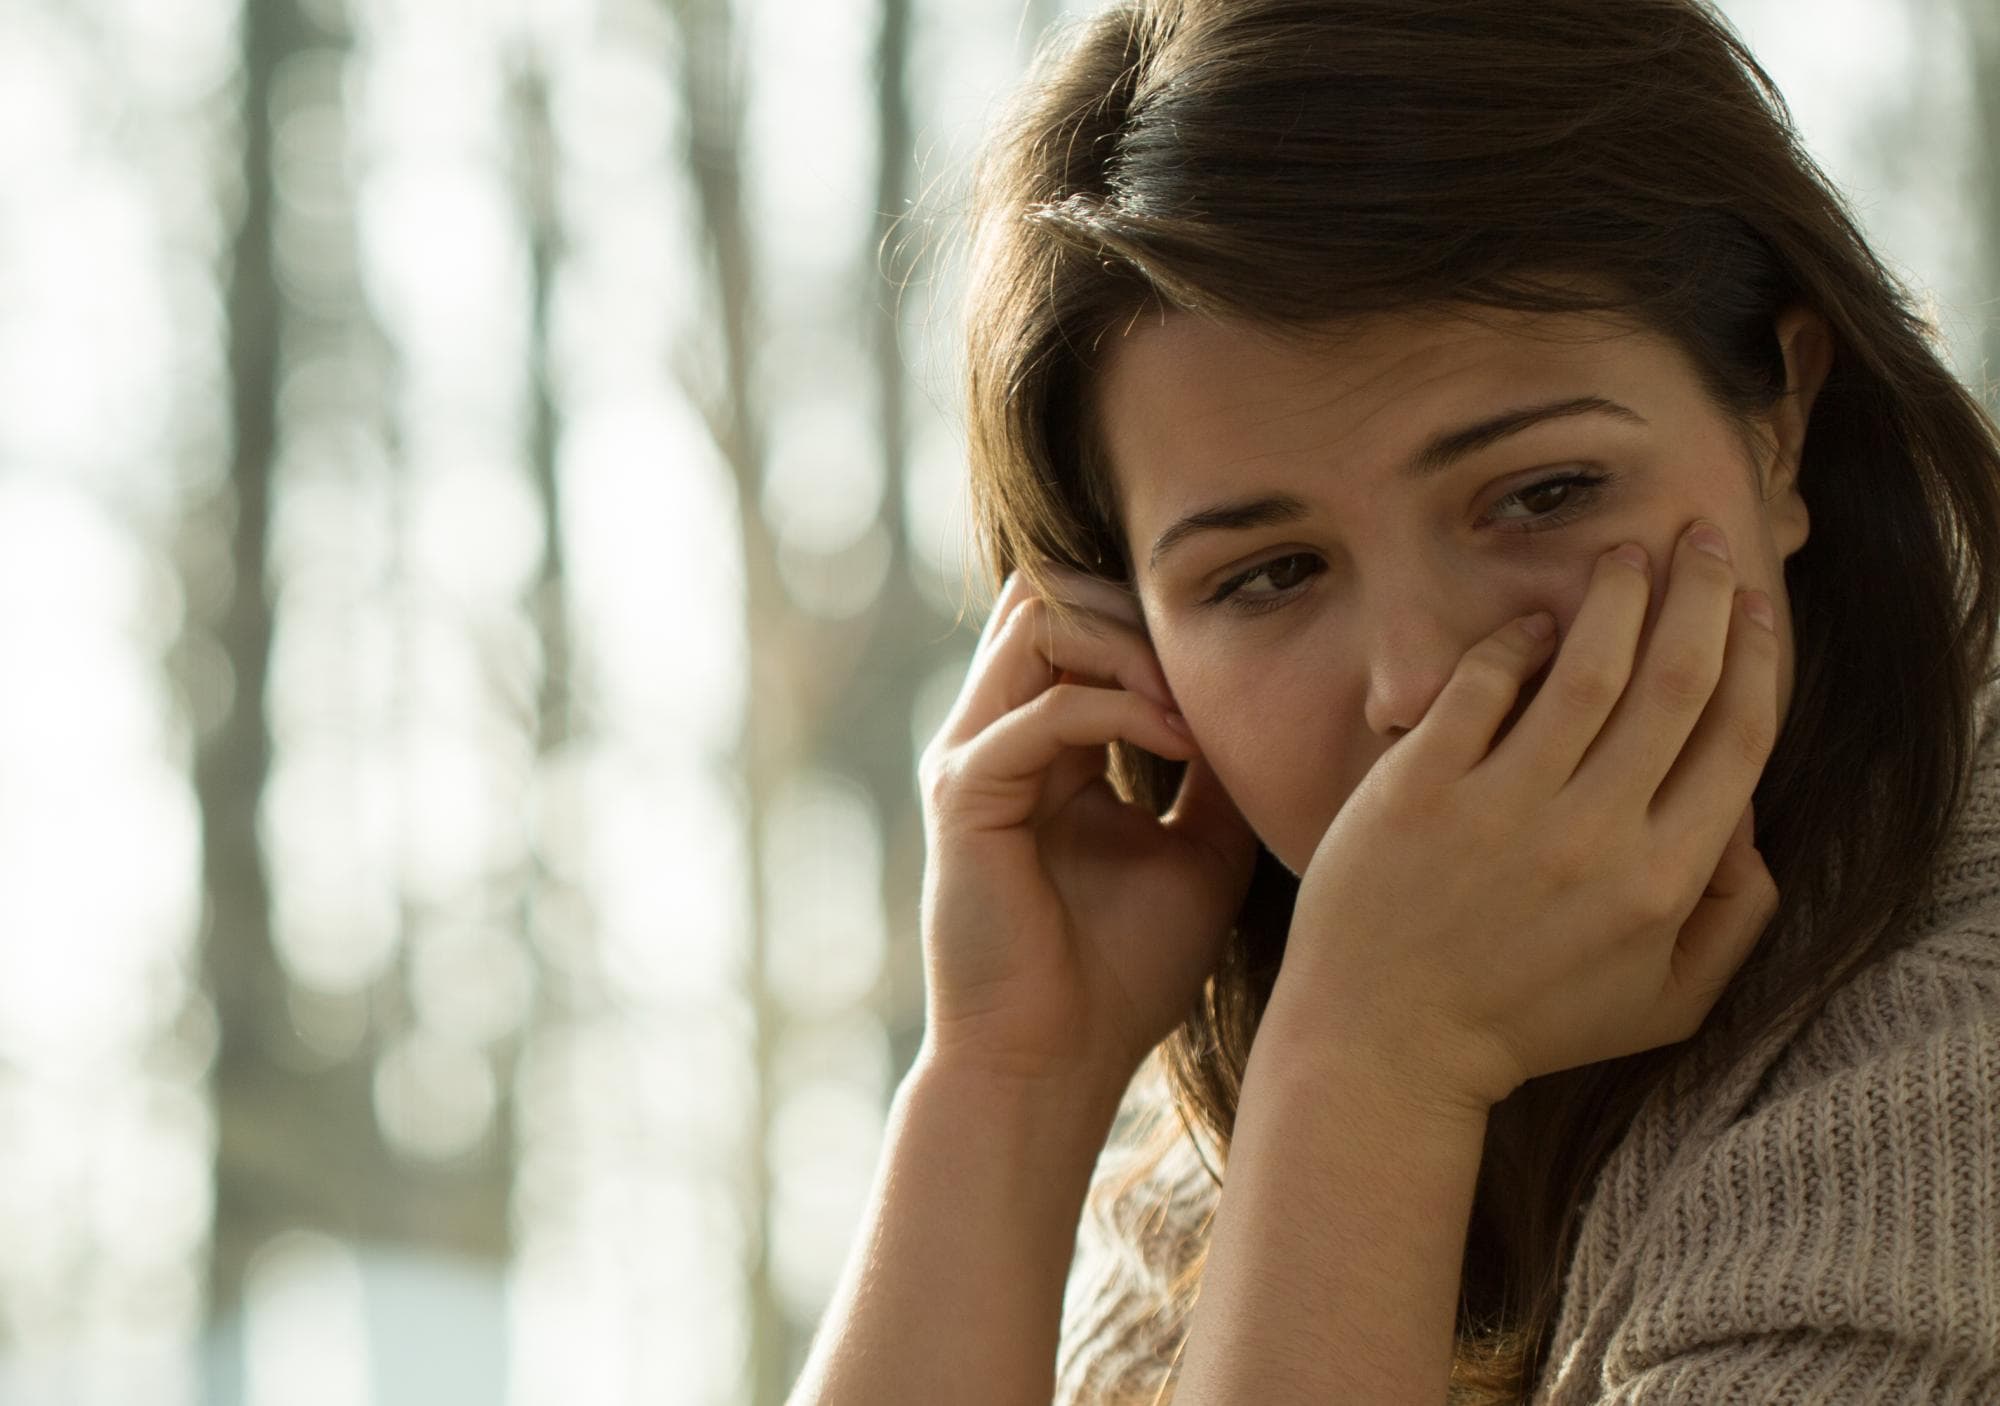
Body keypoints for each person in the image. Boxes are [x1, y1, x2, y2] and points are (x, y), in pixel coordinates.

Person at [785, 2, 2000, 1403]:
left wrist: (1376, 1077)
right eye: (1271, 573)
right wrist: (1006, 1087)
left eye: (1545, 494)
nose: (1416, 683)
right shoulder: (1325, 1042)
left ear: (1779, 422)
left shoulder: (1946, 1076)